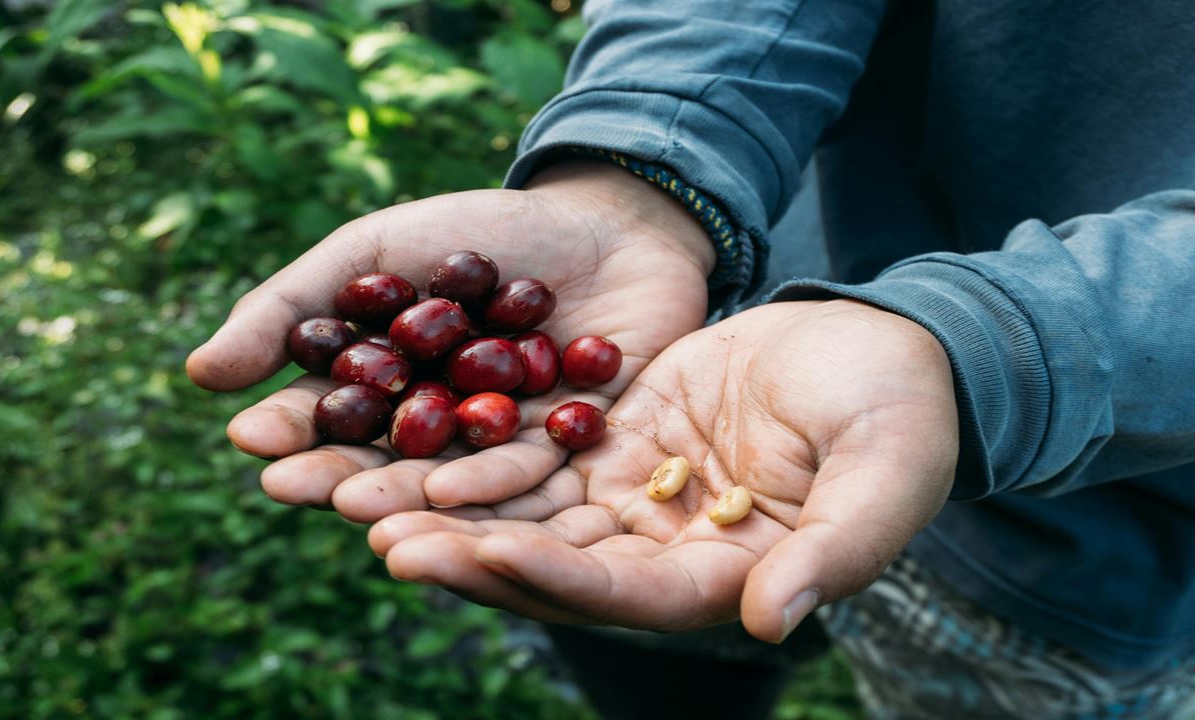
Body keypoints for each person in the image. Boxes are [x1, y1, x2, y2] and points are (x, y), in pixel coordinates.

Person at [186, 1, 1195, 717]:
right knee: (626, 617)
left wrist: (983, 351)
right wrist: (643, 162)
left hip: (1100, 535)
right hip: (718, 349)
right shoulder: (632, 364)